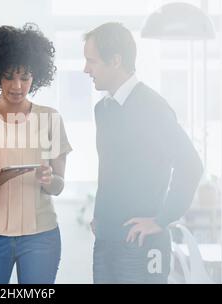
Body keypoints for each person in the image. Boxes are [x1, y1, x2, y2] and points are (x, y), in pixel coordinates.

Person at [83, 22, 203, 283]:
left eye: (91, 61)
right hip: (106, 241)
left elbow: (191, 165)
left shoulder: (152, 107)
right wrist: (100, 215)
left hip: (143, 243)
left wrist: (162, 219)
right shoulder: (103, 110)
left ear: (115, 60)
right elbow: (115, 169)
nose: (86, 69)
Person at [0, 24, 72, 284]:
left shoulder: (50, 118)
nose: (17, 86)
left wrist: (48, 178)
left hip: (41, 237)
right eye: (9, 77)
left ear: (36, 76)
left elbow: (58, 186)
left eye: (25, 77)